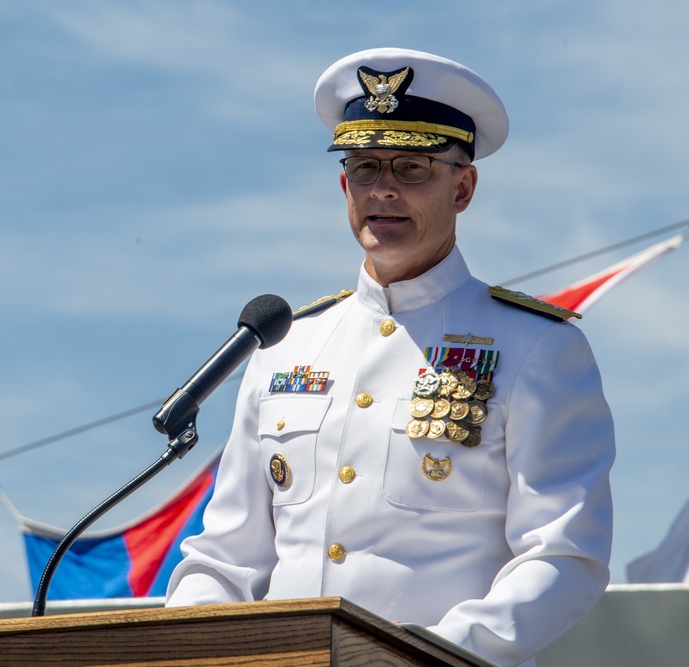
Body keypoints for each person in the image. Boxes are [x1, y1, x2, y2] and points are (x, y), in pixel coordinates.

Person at [165, 48, 614, 667]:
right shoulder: (284, 346)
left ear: (463, 187)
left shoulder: (538, 347)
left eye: (411, 168)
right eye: (367, 166)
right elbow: (225, 559)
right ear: (343, 184)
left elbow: (564, 555)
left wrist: (421, 658)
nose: (384, 190)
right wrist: (181, 649)